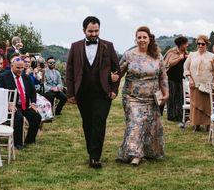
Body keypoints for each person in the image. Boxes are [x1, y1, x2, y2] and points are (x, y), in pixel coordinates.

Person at [66, 16, 120, 169]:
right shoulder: (75, 47)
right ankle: (92, 151)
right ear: (84, 30)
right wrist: (70, 93)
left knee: (99, 122)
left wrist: (114, 90)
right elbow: (69, 71)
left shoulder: (108, 46)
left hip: (103, 93)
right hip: (82, 92)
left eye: (96, 31)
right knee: (87, 123)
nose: (94, 34)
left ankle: (95, 157)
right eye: (91, 31)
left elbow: (117, 69)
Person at [117, 26, 169, 166]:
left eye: (144, 37)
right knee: (136, 122)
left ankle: (148, 151)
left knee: (150, 126)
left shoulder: (157, 56)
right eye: (139, 37)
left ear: (149, 39)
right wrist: (113, 79)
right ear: (136, 39)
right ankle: (135, 154)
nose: (141, 40)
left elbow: (163, 77)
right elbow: (118, 73)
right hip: (131, 97)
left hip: (151, 98)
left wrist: (166, 93)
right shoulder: (129, 55)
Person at [0, 56, 41, 149]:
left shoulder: (26, 77)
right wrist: (7, 103)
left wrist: (33, 103)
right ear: (12, 66)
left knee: (36, 117)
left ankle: (30, 140)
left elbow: (33, 91)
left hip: (25, 105)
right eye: (18, 68)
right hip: (12, 106)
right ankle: (18, 143)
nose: (20, 70)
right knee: (19, 118)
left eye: (22, 68)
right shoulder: (2, 77)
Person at [183, 34, 214, 131]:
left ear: (207, 45)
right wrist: (190, 79)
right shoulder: (192, 55)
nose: (200, 46)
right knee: (195, 105)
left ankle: (208, 125)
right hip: (194, 84)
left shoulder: (212, 56)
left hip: (207, 84)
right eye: (199, 44)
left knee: (207, 106)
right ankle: (196, 125)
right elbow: (186, 68)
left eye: (203, 44)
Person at [163, 36, 189, 122]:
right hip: (171, 78)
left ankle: (180, 115)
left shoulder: (185, 52)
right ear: (181, 44)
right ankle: (171, 116)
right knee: (172, 97)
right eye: (186, 44)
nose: (187, 45)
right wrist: (179, 58)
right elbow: (169, 63)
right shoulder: (172, 52)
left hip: (181, 78)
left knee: (180, 97)